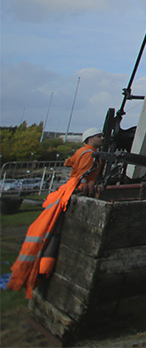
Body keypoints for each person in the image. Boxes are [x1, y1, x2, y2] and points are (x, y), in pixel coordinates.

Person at [8, 127, 106, 298]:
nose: (102, 138)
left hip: (67, 190)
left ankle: (39, 268)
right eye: (99, 136)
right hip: (74, 191)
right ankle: (43, 268)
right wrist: (84, 186)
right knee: (55, 232)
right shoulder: (90, 154)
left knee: (50, 230)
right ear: (90, 139)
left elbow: (68, 162)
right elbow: (83, 174)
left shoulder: (82, 152)